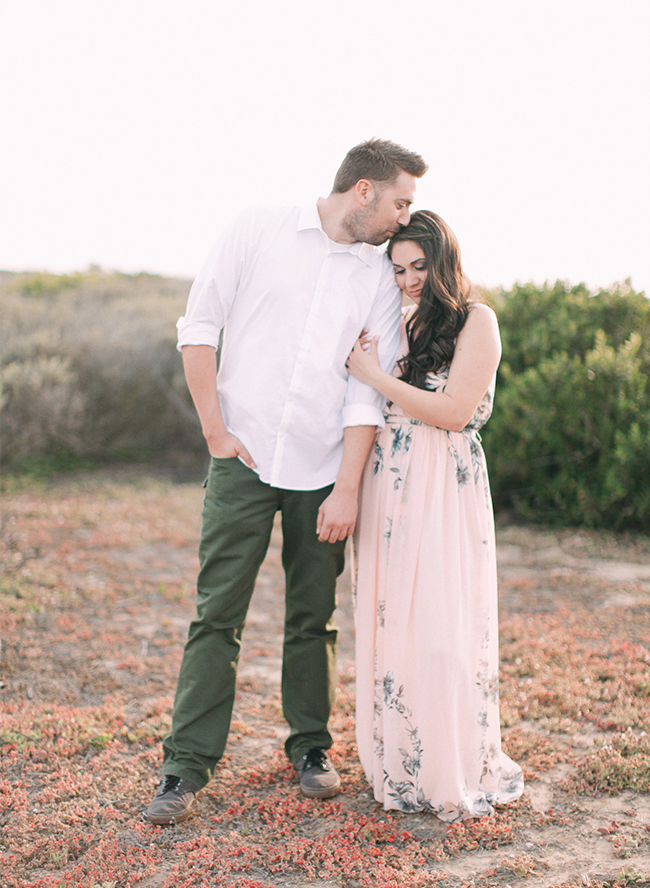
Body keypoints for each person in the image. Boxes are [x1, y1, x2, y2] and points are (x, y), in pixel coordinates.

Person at [145, 139, 428, 825]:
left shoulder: (374, 278)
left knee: (313, 618)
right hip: (240, 461)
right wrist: (214, 431)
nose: (402, 218)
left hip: (321, 472)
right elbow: (199, 325)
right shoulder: (256, 228)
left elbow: (366, 391)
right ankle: (184, 768)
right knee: (217, 615)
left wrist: (349, 487)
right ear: (363, 190)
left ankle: (310, 749)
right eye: (399, 202)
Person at [346, 210, 524, 822]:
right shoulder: (393, 319)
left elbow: (452, 411)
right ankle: (397, 760)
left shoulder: (478, 321)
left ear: (443, 259)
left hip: (444, 483)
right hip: (388, 483)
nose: (408, 279)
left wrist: (374, 376)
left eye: (419, 265)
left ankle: (449, 762)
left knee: (442, 626)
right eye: (397, 269)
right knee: (393, 621)